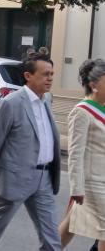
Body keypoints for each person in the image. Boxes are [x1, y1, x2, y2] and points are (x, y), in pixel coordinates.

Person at [0, 53, 61, 250]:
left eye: (51, 74)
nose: (50, 78)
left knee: (52, 240)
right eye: (45, 74)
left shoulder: (47, 99)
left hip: (44, 179)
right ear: (28, 76)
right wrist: (3, 172)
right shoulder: (11, 103)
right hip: (15, 178)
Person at [59, 58, 105, 250]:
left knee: (69, 227)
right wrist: (76, 188)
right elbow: (75, 153)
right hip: (92, 183)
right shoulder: (82, 112)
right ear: (94, 85)